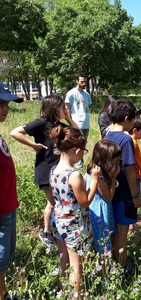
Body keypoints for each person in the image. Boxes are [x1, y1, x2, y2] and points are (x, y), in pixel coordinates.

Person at [10, 94, 78, 247]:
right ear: (54, 108)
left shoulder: (60, 125)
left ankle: (52, 230)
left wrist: (68, 118)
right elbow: (15, 132)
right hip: (45, 170)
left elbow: (77, 134)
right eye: (62, 107)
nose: (65, 109)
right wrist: (34, 146)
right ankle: (46, 231)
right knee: (53, 203)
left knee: (55, 202)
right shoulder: (41, 123)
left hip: (58, 171)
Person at [49, 125, 100, 294]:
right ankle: (76, 295)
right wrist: (94, 180)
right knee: (76, 264)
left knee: (63, 257)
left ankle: (63, 291)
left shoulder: (54, 170)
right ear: (77, 150)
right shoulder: (74, 175)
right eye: (83, 151)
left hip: (59, 221)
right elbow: (84, 202)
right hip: (74, 225)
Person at [104, 98, 141, 274]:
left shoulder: (107, 135)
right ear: (127, 119)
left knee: (114, 230)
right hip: (125, 193)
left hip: (112, 191)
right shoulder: (125, 140)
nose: (135, 122)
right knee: (122, 231)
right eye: (134, 119)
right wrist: (135, 196)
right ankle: (122, 266)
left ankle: (114, 261)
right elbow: (129, 170)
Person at [0, 82, 23, 300]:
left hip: (8, 205)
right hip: (1, 210)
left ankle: (4, 294)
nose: (6, 109)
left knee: (5, 256)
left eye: (6, 104)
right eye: (0, 104)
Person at [86, 140, 122, 256]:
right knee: (102, 240)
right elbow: (108, 197)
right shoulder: (99, 177)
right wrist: (113, 179)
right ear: (105, 160)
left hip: (96, 208)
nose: (117, 164)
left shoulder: (93, 169)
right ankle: (104, 269)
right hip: (100, 211)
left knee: (96, 240)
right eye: (115, 162)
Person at [65, 73, 92, 169]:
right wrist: (71, 122)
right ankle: (77, 165)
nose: (83, 83)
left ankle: (80, 163)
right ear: (77, 81)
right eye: (81, 81)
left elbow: (87, 108)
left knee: (83, 144)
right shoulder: (71, 93)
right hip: (76, 123)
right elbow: (67, 109)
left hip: (86, 123)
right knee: (76, 143)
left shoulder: (87, 95)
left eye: (85, 82)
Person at [128, 118, 141, 233]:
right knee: (133, 200)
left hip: (135, 176)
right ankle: (131, 227)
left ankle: (132, 223)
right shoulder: (133, 143)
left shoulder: (132, 142)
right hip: (135, 177)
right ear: (135, 130)